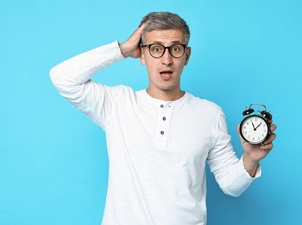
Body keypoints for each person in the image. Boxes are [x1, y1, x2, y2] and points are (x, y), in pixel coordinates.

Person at [49, 12, 277, 225]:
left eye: (175, 49)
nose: (166, 59)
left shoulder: (210, 113)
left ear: (186, 56)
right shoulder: (116, 104)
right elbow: (62, 77)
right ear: (142, 54)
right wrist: (122, 49)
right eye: (156, 49)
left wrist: (250, 158)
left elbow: (231, 185)